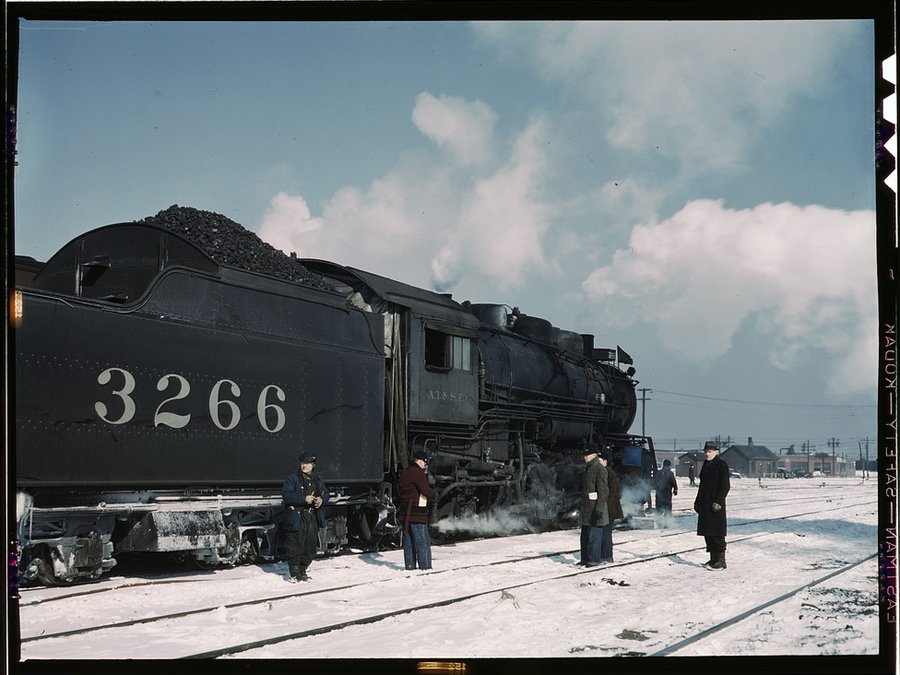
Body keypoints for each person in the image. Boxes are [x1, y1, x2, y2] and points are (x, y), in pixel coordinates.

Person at [281, 452, 328, 582]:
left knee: (310, 546)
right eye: (302, 463)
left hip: (312, 515)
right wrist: (303, 499)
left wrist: (321, 500)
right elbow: (286, 495)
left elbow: (326, 493)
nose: (304, 466)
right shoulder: (293, 478)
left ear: (313, 465)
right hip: (298, 515)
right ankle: (294, 573)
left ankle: (302, 570)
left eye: (307, 463)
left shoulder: (317, 479)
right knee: (295, 545)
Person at [694, 441, 731, 569]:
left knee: (717, 534)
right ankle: (713, 560)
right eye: (705, 451)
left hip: (716, 505)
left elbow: (725, 486)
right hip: (705, 504)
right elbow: (702, 486)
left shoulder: (721, 465)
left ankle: (721, 561)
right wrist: (697, 501)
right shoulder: (705, 465)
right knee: (708, 533)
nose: (707, 454)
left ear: (716, 452)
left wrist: (718, 501)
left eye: (709, 451)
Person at [397, 449, 435, 570]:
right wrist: (434, 494)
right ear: (419, 461)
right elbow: (426, 491)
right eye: (424, 462)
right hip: (417, 513)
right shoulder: (417, 473)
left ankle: (410, 566)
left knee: (409, 542)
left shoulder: (405, 473)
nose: (425, 465)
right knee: (422, 541)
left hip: (405, 513)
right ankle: (425, 567)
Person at [576, 443, 609, 567]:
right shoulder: (588, 468)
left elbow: (603, 491)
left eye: (587, 455)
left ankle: (593, 560)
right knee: (585, 536)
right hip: (587, 508)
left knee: (594, 536)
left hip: (595, 508)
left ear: (594, 455)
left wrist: (599, 508)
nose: (585, 457)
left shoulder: (600, 469)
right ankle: (585, 559)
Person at [599, 448, 622, 563]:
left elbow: (613, 490)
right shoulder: (606, 471)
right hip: (608, 506)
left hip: (610, 508)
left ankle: (607, 556)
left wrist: (604, 501)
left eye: (600, 460)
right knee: (605, 532)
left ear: (605, 461)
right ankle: (605, 555)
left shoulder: (608, 472)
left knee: (606, 533)